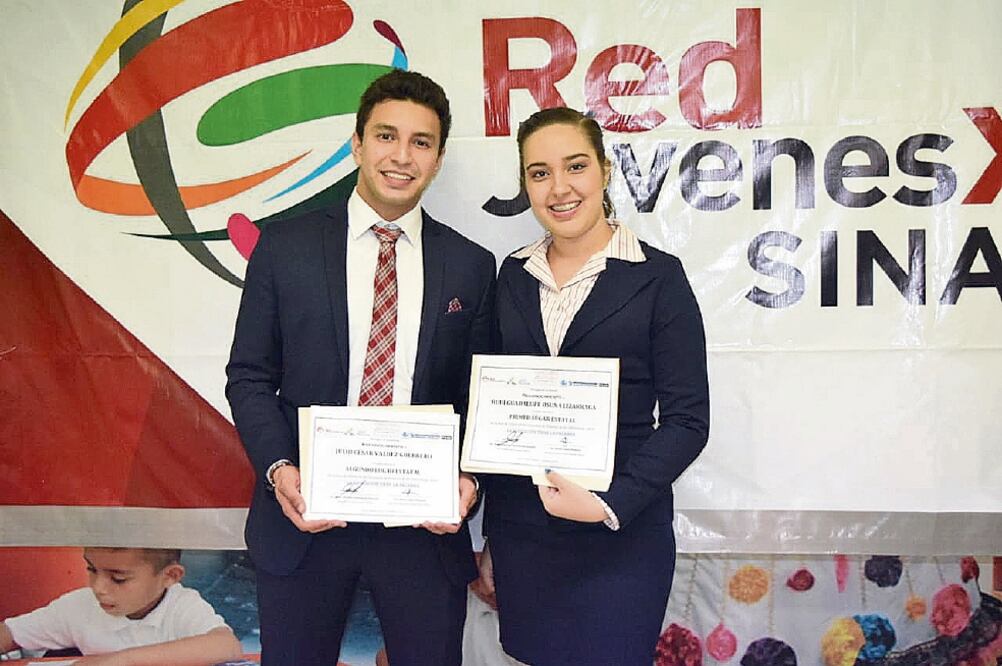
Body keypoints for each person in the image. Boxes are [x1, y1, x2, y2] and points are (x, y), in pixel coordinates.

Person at [225, 69, 496, 666]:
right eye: (386, 136)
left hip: (423, 531)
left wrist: (470, 483)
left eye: (421, 142)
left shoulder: (471, 265)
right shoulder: (283, 247)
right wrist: (278, 470)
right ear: (357, 143)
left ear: (439, 157)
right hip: (306, 519)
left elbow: (482, 399)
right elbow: (248, 374)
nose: (401, 156)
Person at [477, 106, 710, 665]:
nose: (559, 188)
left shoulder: (659, 276)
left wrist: (609, 504)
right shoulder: (510, 274)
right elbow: (493, 409)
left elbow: (687, 421)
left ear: (604, 171)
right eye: (539, 173)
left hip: (621, 537)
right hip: (523, 538)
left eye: (575, 166)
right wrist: (488, 534)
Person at [0, 547, 240, 665]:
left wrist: (118, 661)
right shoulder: (80, 605)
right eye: (92, 569)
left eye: (118, 578)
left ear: (170, 576)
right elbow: (10, 633)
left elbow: (227, 646)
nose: (99, 587)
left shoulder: (181, 606)